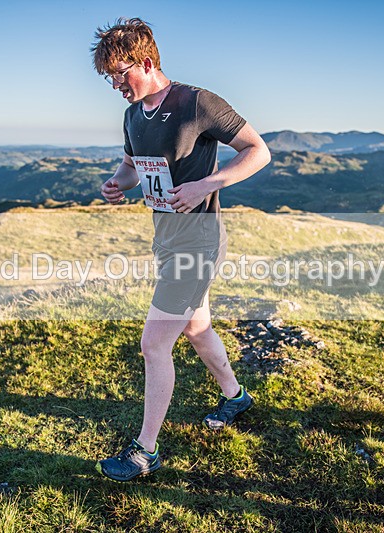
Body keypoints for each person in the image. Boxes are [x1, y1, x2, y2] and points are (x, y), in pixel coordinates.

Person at [91, 18, 271, 482]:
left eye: (119, 74)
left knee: (154, 344)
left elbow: (257, 150)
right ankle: (236, 397)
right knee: (196, 326)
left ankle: (144, 452)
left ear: (146, 62)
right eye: (108, 78)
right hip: (166, 238)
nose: (115, 85)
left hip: (199, 239)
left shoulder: (198, 103)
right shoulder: (132, 116)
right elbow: (132, 167)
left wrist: (205, 185)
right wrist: (118, 184)